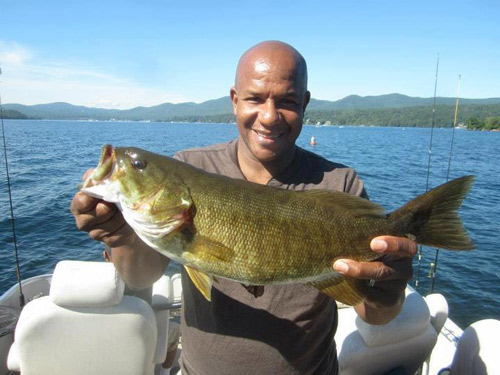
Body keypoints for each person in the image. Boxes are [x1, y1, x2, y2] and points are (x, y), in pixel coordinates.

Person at [71, 41, 417, 375]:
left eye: (287, 101)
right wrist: (120, 236)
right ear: (234, 100)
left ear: (305, 104)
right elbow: (141, 275)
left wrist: (387, 293)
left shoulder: (340, 185)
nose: (269, 116)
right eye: (254, 98)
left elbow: (376, 315)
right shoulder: (191, 165)